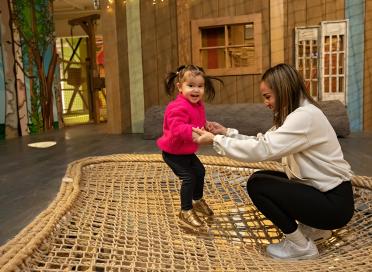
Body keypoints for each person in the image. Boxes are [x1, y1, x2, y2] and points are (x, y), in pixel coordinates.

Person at [193, 63, 354, 259]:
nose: (265, 103)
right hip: (329, 197)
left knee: (258, 184)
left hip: (334, 205)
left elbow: (264, 150)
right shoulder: (299, 114)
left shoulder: (304, 117)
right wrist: (226, 133)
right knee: (264, 177)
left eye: (268, 96)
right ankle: (315, 229)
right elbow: (263, 141)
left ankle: (301, 246)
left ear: (284, 91)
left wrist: (216, 140)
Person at [157, 64, 223, 231]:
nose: (196, 90)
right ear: (180, 87)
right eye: (191, 86)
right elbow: (177, 128)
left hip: (186, 151)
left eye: (200, 86)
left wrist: (205, 126)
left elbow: (196, 120)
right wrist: (195, 135)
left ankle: (197, 200)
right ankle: (185, 210)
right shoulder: (176, 107)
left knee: (200, 171)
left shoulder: (198, 105)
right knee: (189, 178)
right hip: (173, 153)